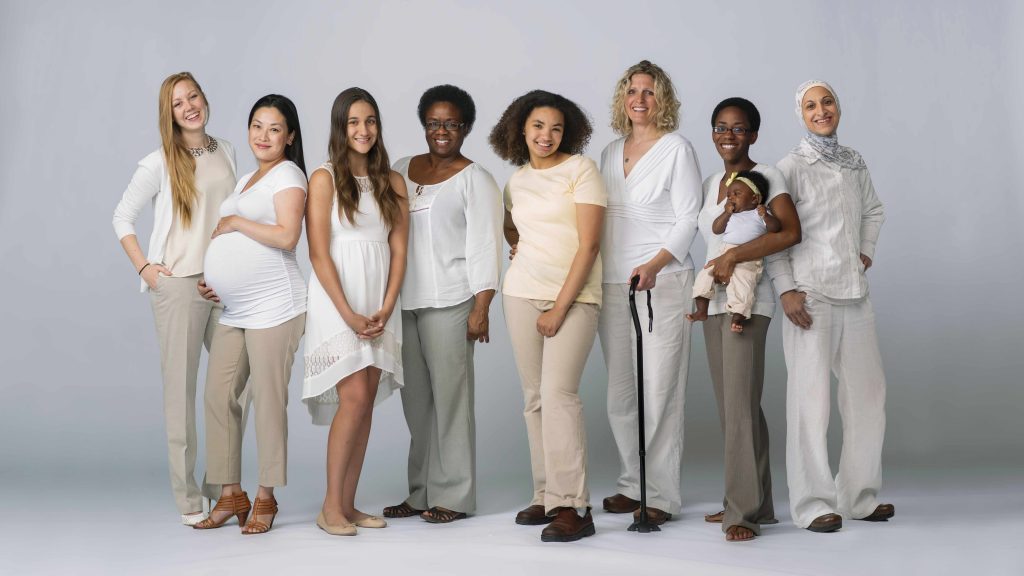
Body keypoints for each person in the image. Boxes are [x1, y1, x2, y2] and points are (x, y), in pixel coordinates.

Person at [112, 72, 246, 526]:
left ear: (205, 98)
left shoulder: (227, 149)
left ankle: (220, 487)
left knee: (234, 387)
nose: (189, 106)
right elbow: (122, 217)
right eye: (177, 103)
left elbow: (233, 216)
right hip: (178, 288)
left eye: (193, 96)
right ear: (168, 114)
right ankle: (190, 500)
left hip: (222, 286)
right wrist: (147, 269)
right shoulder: (158, 163)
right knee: (182, 396)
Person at [772, 80, 892, 533]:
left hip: (854, 291)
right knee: (810, 400)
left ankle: (857, 496)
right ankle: (812, 503)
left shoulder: (853, 161)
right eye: (810, 106)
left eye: (827, 102)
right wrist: (786, 289)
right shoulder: (790, 167)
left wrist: (865, 250)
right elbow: (776, 234)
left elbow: (874, 210)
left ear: (838, 107)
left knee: (868, 395)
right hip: (811, 295)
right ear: (800, 115)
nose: (821, 110)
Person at [489, 90, 605, 542]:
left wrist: (560, 306)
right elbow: (512, 227)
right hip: (520, 293)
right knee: (535, 398)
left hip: (575, 298)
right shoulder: (515, 181)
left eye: (556, 128)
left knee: (560, 396)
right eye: (538, 126)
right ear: (521, 128)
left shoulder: (581, 170)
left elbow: (590, 245)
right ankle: (546, 494)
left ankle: (575, 505)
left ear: (568, 132)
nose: (547, 135)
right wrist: (519, 250)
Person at [384, 85, 502, 524]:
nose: (441, 131)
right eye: (434, 122)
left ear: (465, 127)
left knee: (452, 403)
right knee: (416, 405)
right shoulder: (400, 170)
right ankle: (419, 493)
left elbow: (486, 246)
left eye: (451, 123)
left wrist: (481, 306)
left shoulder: (476, 179)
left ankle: (453, 495)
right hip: (405, 303)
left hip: (452, 301)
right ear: (423, 125)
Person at [193, 94, 308, 535]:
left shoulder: (289, 175)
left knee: (266, 403)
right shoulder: (246, 179)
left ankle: (266, 495)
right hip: (236, 306)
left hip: (276, 305)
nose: (263, 136)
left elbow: (286, 236)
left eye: (274, 128)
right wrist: (214, 279)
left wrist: (237, 226)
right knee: (218, 396)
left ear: (290, 136)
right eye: (256, 126)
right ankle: (229, 493)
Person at [596, 60, 703, 527]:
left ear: (664, 100)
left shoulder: (676, 148)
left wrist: (656, 264)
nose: (640, 99)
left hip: (662, 281)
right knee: (621, 392)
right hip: (612, 281)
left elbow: (688, 217)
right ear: (623, 99)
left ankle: (660, 493)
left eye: (650, 92)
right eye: (632, 91)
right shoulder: (608, 152)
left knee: (659, 390)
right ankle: (630, 483)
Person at [692, 97, 801, 541]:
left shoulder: (767, 176)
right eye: (720, 127)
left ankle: (741, 514)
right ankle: (759, 502)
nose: (728, 135)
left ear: (753, 134)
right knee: (735, 408)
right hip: (714, 300)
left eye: (739, 128)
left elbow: (789, 232)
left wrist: (735, 254)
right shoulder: (709, 183)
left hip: (748, 302)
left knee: (739, 408)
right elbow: (711, 241)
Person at [302, 88, 409, 536]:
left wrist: (385, 305)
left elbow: (399, 249)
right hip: (338, 301)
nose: (363, 130)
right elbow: (318, 253)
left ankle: (347, 505)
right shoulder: (324, 177)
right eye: (353, 123)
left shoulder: (393, 181)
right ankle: (330, 508)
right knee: (355, 399)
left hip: (380, 304)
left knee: (365, 407)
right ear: (340, 128)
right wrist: (347, 313)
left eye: (370, 121)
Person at [689, 171, 781, 333]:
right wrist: (726, 213)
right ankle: (702, 310)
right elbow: (716, 229)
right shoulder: (730, 215)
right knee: (704, 276)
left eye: (737, 194)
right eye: (729, 194)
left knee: (742, 284)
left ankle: (737, 318)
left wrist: (766, 216)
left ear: (755, 199)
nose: (730, 198)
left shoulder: (759, 213)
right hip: (724, 254)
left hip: (749, 258)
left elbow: (776, 228)